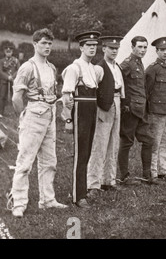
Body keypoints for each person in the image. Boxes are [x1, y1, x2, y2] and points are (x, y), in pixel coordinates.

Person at [8, 28, 68, 218]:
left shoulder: (51, 67)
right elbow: (16, 97)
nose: (47, 46)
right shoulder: (27, 67)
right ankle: (18, 203)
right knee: (25, 162)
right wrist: (24, 115)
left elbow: (54, 93)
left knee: (50, 161)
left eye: (50, 43)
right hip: (34, 113)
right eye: (43, 43)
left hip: (49, 114)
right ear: (35, 44)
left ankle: (47, 200)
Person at [61, 30, 104, 209]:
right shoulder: (74, 68)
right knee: (80, 154)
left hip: (92, 110)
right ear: (81, 47)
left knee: (87, 152)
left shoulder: (93, 68)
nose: (92, 49)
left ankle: (83, 190)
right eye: (89, 46)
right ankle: (78, 197)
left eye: (95, 46)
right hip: (80, 112)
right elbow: (66, 96)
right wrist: (68, 120)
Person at [86, 36, 125, 199]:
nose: (114, 51)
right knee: (100, 144)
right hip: (104, 106)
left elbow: (121, 88)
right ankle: (93, 183)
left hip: (116, 103)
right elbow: (91, 89)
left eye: (116, 48)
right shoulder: (99, 68)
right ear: (104, 49)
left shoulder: (117, 66)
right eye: (111, 48)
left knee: (114, 143)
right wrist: (99, 107)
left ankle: (109, 180)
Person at [117, 36, 152, 185]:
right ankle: (124, 176)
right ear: (132, 47)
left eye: (145, 47)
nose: (143, 50)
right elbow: (118, 83)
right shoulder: (127, 64)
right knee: (126, 142)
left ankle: (147, 175)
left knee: (149, 141)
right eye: (140, 47)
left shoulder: (139, 63)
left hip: (141, 110)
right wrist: (125, 104)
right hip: (131, 110)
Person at [145, 37, 166, 185]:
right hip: (156, 111)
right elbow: (147, 91)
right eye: (162, 50)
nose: (165, 52)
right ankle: (153, 173)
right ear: (156, 51)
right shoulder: (153, 68)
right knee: (155, 143)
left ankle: (163, 171)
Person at [0, 43, 21, 118]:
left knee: (15, 97)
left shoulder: (16, 60)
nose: (8, 52)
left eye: (10, 51)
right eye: (7, 51)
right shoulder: (1, 61)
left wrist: (12, 76)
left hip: (14, 81)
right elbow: (0, 71)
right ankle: (1, 113)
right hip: (4, 81)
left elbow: (19, 70)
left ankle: (16, 113)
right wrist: (7, 77)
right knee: (2, 96)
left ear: (12, 52)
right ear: (4, 52)